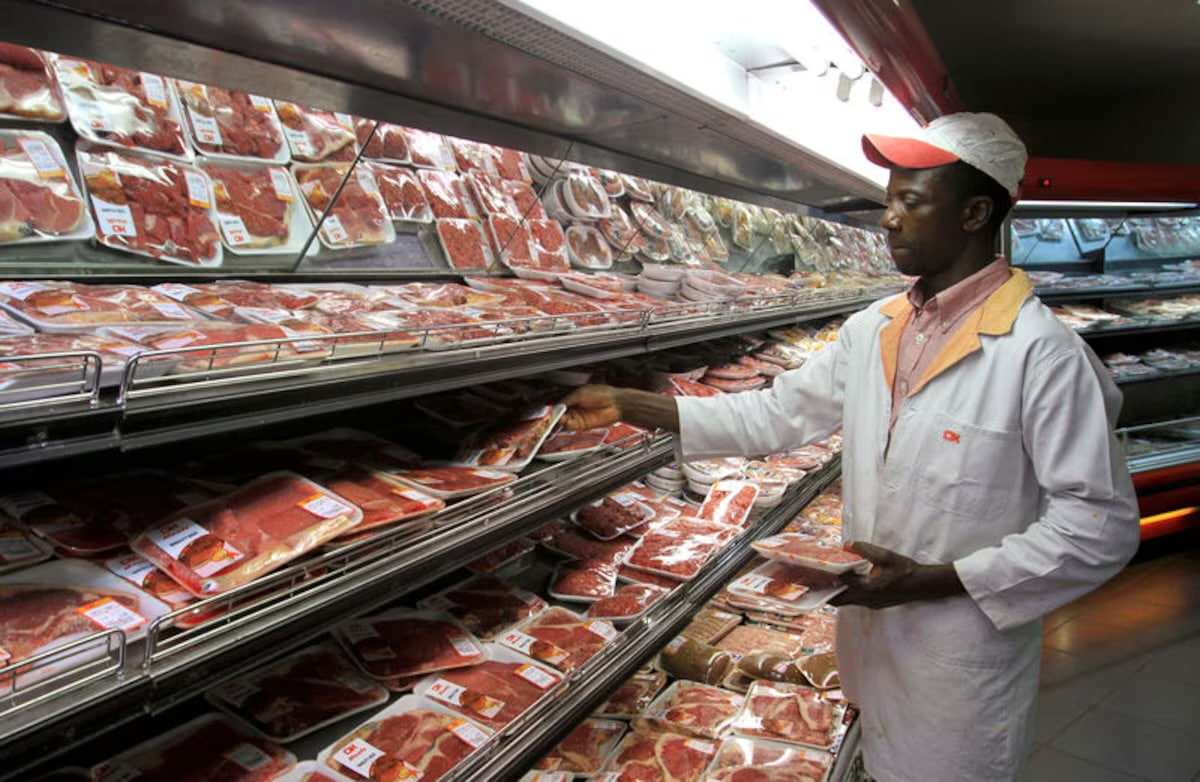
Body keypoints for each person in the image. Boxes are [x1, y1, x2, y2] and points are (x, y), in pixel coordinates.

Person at [560, 112, 1141, 782]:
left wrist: (937, 580)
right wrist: (633, 405)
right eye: (889, 199)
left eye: (911, 202)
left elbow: (1097, 527)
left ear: (976, 212)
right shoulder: (875, 329)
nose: (889, 218)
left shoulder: (1043, 357)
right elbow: (777, 415)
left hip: (958, 666)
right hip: (868, 646)